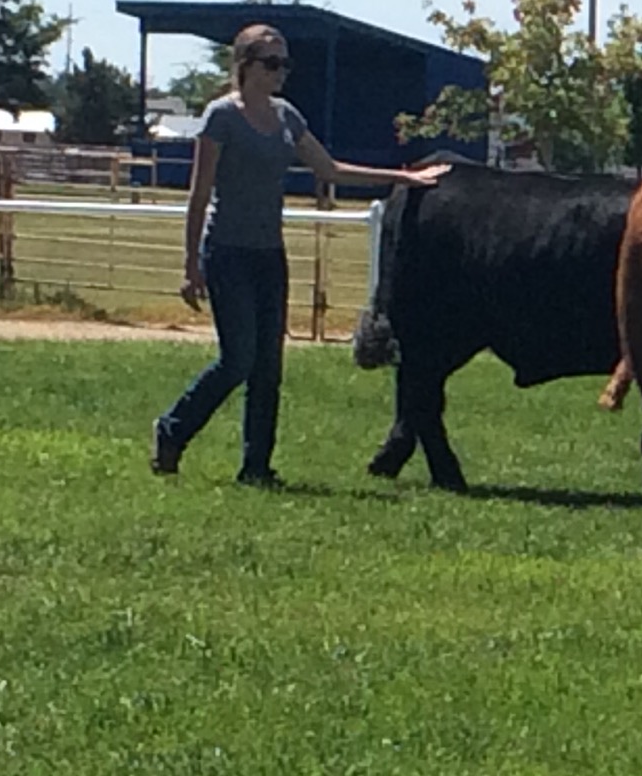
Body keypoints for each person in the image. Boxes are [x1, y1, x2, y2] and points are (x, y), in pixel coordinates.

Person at [152, 25, 447, 485]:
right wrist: (191, 264)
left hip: (269, 255)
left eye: (285, 63)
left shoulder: (287, 116)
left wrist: (402, 178)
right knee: (238, 360)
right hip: (227, 252)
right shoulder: (220, 117)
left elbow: (329, 169)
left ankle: (256, 468)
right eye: (272, 63)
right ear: (245, 64)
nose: (281, 72)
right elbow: (199, 194)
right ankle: (172, 429)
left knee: (268, 368)